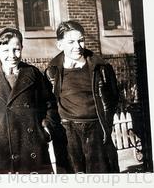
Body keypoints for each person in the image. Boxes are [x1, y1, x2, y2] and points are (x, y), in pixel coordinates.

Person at [0, 27, 59, 174]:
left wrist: (46, 128)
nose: (12, 55)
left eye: (16, 49)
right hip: (2, 147)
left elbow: (49, 104)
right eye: (6, 51)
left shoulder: (33, 73)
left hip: (32, 145)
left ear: (22, 48)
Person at [45, 20, 120, 173]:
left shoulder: (101, 68)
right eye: (71, 42)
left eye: (80, 40)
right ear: (60, 45)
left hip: (97, 130)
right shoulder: (51, 71)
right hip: (67, 132)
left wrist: (106, 125)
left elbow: (112, 98)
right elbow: (48, 104)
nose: (77, 46)